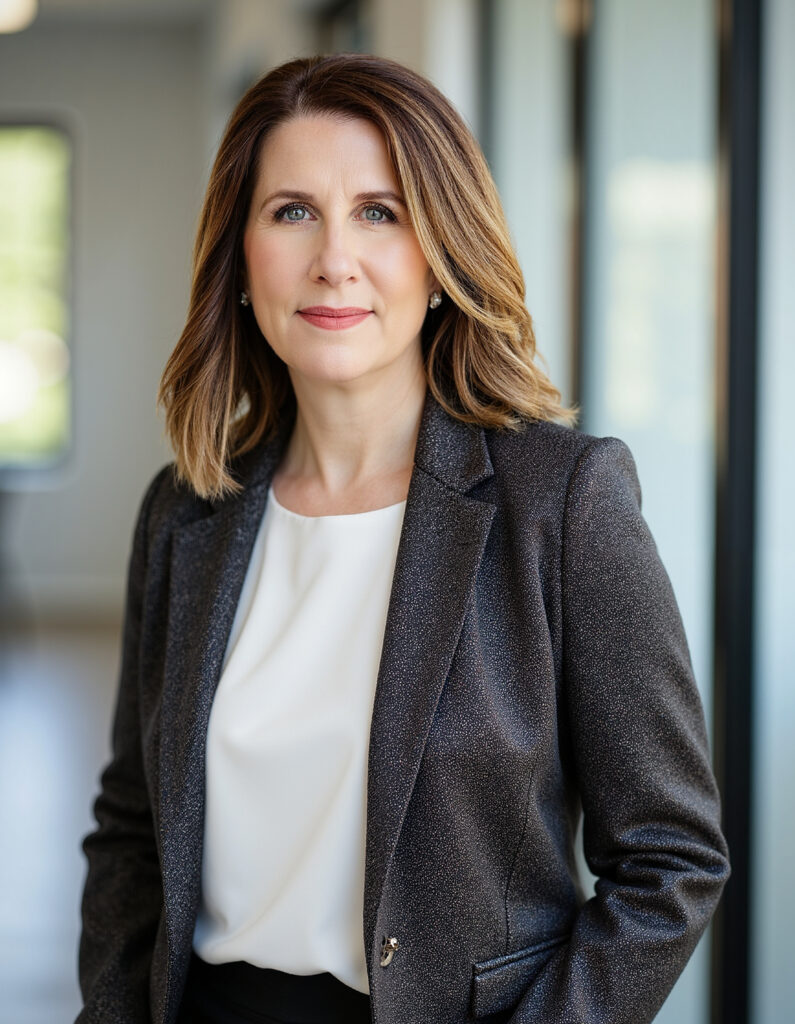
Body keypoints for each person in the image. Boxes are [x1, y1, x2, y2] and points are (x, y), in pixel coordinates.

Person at [76, 53, 729, 1024]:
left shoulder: (563, 504)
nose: (334, 256)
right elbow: (132, 829)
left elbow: (672, 858)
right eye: (292, 211)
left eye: (380, 212)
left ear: (440, 258)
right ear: (241, 260)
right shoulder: (185, 511)